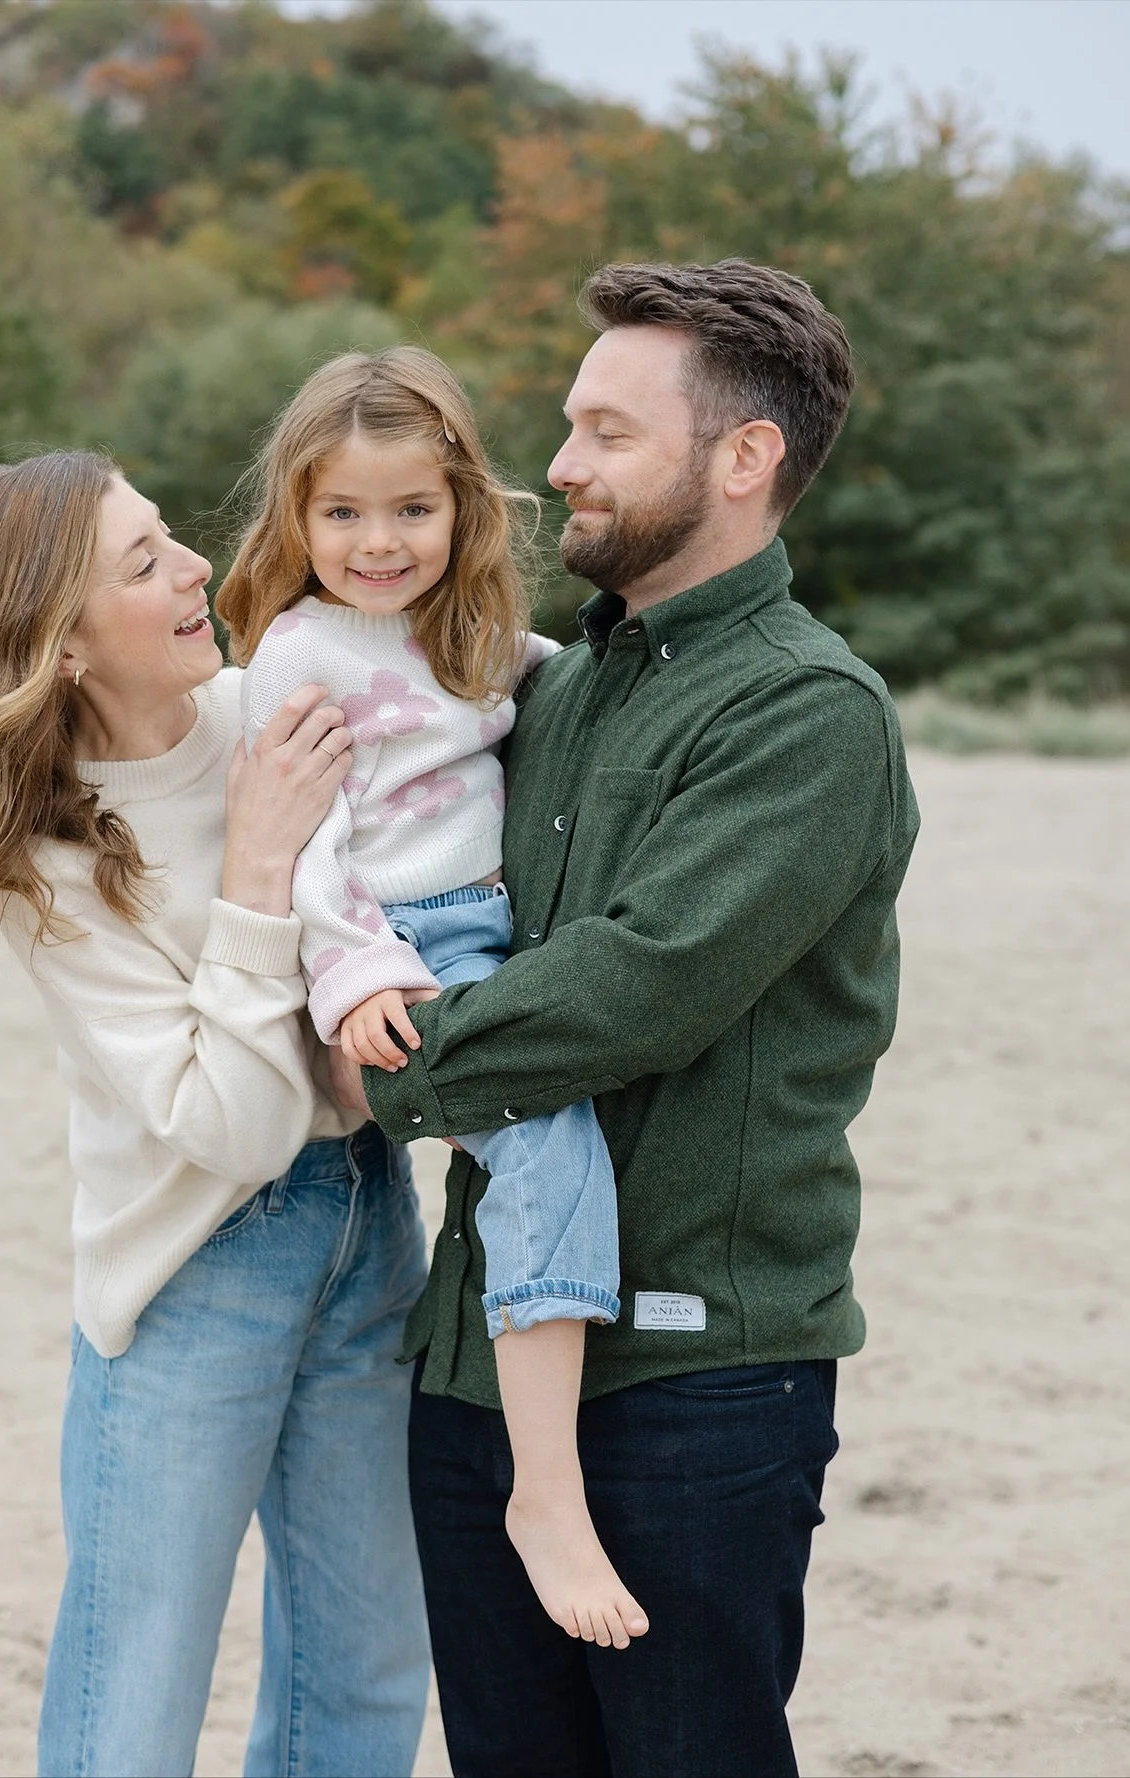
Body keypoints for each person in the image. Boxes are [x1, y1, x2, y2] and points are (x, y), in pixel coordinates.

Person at [331, 261, 922, 1778]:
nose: (559, 463)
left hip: (692, 1385)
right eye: (568, 424)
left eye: (605, 431)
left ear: (743, 459)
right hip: (472, 1366)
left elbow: (634, 985)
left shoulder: (806, 711)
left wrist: (371, 1064)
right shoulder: (564, 686)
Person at [0, 451, 431, 1778]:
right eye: (143, 560)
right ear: (58, 644)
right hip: (185, 1276)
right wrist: (263, 863)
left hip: (368, 1220)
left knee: (368, 1666)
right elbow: (228, 1125)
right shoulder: (41, 858)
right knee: (136, 1694)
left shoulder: (277, 704)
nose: (196, 571)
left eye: (171, 538)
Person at [216, 345, 649, 1650]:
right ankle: (546, 1491)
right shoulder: (299, 651)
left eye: (410, 508)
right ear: (296, 515)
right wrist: (354, 974)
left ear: (461, 502)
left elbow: (532, 690)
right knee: (548, 1143)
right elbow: (307, 838)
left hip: (494, 928)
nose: (377, 541)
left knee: (555, 1148)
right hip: (402, 943)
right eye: (340, 512)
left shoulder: (460, 634)